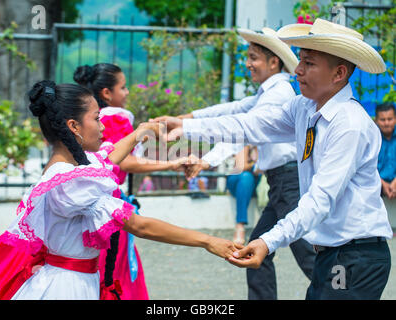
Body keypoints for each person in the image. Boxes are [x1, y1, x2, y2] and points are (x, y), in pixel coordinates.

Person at [156, 19, 393, 300]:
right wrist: (187, 127)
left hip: (355, 255)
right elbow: (250, 125)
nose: (298, 70)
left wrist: (267, 242)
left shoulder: (349, 125)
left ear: (339, 73)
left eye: (309, 63)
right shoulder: (304, 107)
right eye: (301, 60)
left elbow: (320, 201)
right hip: (334, 252)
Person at [0, 81, 239, 300]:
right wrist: (207, 240)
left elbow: (109, 158)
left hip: (75, 280)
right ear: (73, 126)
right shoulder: (70, 181)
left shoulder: (70, 169)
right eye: (96, 119)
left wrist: (140, 132)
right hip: (67, 286)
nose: (103, 127)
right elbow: (139, 226)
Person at [155, 27, 316, 300]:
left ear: (273, 61)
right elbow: (234, 110)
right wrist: (187, 117)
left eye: (254, 57)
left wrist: (192, 135)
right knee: (256, 251)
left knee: (309, 257)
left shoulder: (277, 94)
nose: (248, 63)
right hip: (281, 183)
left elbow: (244, 128)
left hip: (290, 183)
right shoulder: (268, 93)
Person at [73, 63, 190, 300]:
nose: (127, 93)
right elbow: (123, 163)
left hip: (97, 201)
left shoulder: (91, 120)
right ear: (107, 93)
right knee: (115, 270)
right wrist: (171, 164)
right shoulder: (115, 118)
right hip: (108, 203)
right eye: (123, 88)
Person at [226, 146, 261, 245]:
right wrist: (255, 163)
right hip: (237, 179)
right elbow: (241, 167)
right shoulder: (244, 144)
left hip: (255, 183)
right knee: (246, 177)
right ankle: (240, 225)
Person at [375, 103, 396, 199]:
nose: (386, 123)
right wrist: (382, 183)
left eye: (390, 119)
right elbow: (364, 164)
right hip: (375, 187)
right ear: (376, 121)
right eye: (383, 120)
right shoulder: (371, 138)